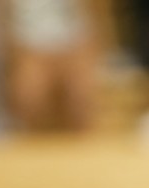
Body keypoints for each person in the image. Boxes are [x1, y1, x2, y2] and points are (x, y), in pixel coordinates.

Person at [7, 0, 99, 130]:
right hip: (29, 47)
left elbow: (94, 16)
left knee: (80, 97)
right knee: (31, 96)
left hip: (75, 44)